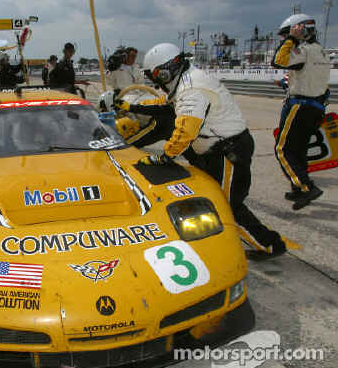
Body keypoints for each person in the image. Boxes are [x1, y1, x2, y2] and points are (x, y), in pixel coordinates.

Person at [116, 43, 286, 259]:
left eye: (156, 75)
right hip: (220, 148)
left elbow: (186, 130)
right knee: (216, 198)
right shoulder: (186, 81)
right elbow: (164, 104)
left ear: (165, 70)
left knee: (227, 204)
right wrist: (131, 107)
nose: (157, 81)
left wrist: (165, 156)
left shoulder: (191, 89)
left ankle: (269, 245)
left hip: (228, 150)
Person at [272, 14, 330, 210]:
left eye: (286, 34)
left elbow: (278, 60)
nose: (284, 39)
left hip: (300, 106)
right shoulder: (321, 51)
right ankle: (299, 188)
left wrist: (291, 39)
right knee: (298, 150)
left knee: (282, 150)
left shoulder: (303, 51)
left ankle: (307, 188)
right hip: (316, 107)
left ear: (301, 30)